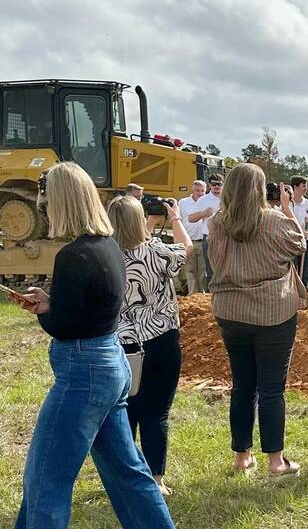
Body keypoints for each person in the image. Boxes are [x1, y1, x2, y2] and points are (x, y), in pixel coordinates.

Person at [10, 162, 174, 529]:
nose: (44, 207)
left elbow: (64, 327)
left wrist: (42, 310)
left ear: (61, 202)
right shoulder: (108, 247)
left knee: (46, 480)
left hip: (83, 373)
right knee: (128, 473)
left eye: (47, 200)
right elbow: (89, 309)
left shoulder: (72, 255)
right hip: (110, 364)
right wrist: (52, 302)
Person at [207, 164, 307, 478]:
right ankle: (276, 462)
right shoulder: (275, 220)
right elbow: (299, 244)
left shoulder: (216, 223)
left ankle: (242, 456)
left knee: (242, 385)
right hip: (272, 312)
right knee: (271, 389)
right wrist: (288, 207)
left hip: (231, 312)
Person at [108, 195, 192, 497]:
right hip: (161, 340)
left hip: (121, 344)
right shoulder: (156, 252)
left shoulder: (106, 256)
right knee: (156, 413)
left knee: (126, 412)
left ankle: (126, 478)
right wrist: (175, 217)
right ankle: (155, 479)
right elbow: (187, 249)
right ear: (139, 218)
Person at [177, 180, 209, 294]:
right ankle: (192, 295)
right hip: (189, 241)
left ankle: (203, 296)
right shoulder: (183, 202)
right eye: (198, 190)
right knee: (190, 271)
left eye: (203, 191)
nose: (200, 193)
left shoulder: (208, 202)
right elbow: (178, 221)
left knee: (202, 272)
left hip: (203, 241)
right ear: (193, 190)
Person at [191, 174, 222, 287]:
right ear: (209, 185)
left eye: (219, 184)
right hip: (209, 238)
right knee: (211, 271)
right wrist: (203, 213)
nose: (216, 186)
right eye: (214, 184)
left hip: (227, 238)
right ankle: (211, 299)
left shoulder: (229, 198)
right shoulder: (203, 200)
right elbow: (191, 218)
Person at [290, 176, 308, 286]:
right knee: (293, 273)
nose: (306, 188)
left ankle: (304, 298)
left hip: (305, 242)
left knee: (304, 275)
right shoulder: (288, 204)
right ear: (295, 187)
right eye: (303, 186)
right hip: (292, 242)